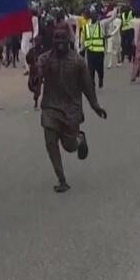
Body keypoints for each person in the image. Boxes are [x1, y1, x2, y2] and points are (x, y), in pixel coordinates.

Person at [36, 27, 108, 192]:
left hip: (71, 109)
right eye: (56, 38)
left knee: (69, 146)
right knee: (50, 143)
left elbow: (87, 86)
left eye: (63, 38)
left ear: (69, 40)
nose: (59, 42)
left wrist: (95, 106)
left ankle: (79, 139)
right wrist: (37, 72)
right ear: (52, 40)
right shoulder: (44, 59)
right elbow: (35, 83)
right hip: (50, 107)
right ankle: (62, 180)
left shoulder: (77, 61)